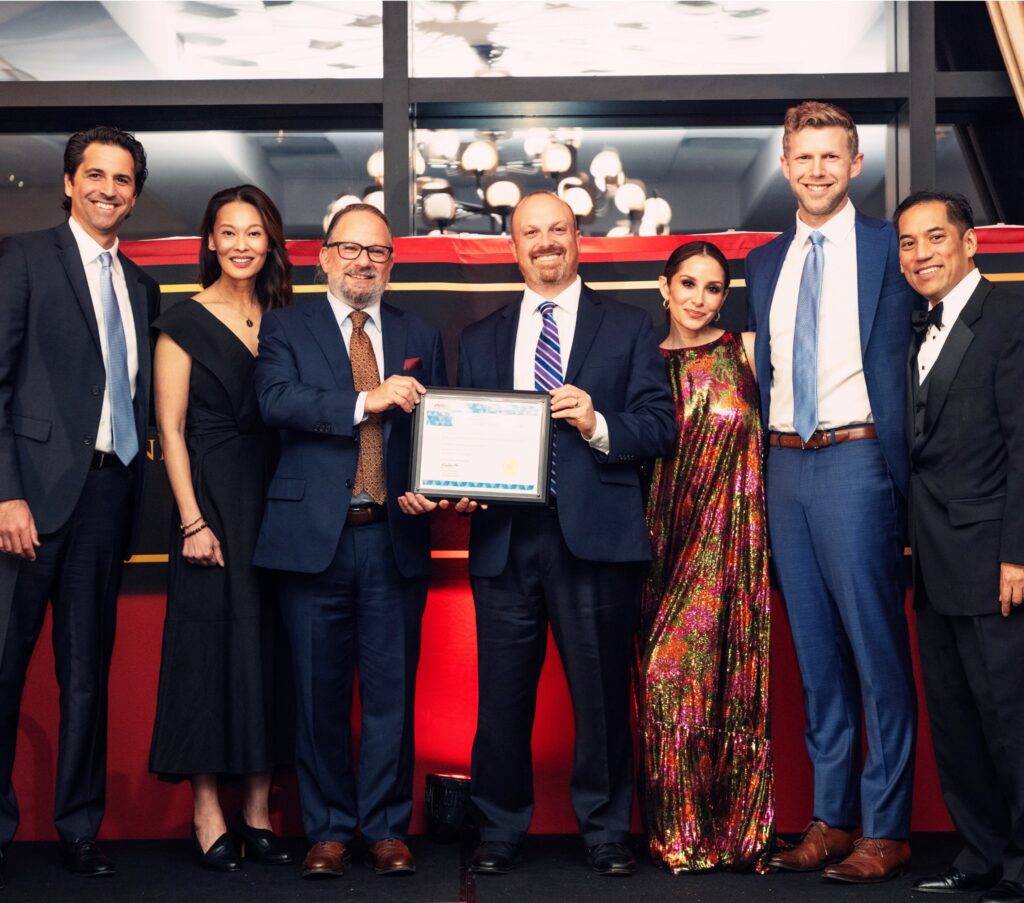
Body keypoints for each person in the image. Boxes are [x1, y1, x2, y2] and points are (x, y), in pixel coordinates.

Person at [405, 191, 675, 877]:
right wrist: (459, 482)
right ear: (514, 245)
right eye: (532, 232)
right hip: (504, 536)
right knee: (500, 699)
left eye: (558, 229)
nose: (546, 242)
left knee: (601, 697)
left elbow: (659, 427)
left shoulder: (630, 326)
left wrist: (597, 421)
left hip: (595, 537)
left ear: (578, 237)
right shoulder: (482, 337)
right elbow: (464, 433)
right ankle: (497, 828)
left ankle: (606, 831)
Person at [745, 101, 918, 883]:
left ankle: (887, 826)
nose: (816, 170)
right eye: (803, 157)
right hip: (785, 465)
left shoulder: (890, 246)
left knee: (876, 652)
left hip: (858, 459)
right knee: (815, 656)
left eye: (830, 156)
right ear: (785, 166)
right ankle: (833, 817)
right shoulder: (764, 263)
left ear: (855, 164)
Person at [254, 203, 446, 879]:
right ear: (324, 256)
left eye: (378, 251)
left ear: (392, 262)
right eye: (350, 248)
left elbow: (435, 428)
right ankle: (330, 831)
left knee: (392, 694)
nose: (364, 261)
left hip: (394, 536)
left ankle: (387, 828)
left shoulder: (420, 331)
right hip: (315, 539)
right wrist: (369, 400)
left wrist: (430, 485)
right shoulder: (284, 326)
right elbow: (276, 401)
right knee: (319, 695)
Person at [0, 126, 160, 883]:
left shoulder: (141, 286)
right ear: (69, 183)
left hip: (107, 496)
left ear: (135, 194)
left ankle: (79, 827)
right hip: (27, 500)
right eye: (95, 175)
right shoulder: (25, 258)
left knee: (87, 676)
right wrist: (6, 491)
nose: (108, 189)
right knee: (4, 671)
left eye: (122, 179)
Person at [149, 185, 294, 871]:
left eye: (254, 232)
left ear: (270, 242)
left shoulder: (286, 318)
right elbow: (170, 430)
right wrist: (191, 520)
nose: (241, 244)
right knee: (205, 653)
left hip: (277, 498)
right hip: (209, 499)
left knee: (267, 647)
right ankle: (207, 810)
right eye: (229, 232)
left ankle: (258, 810)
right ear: (210, 240)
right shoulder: (182, 321)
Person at [895, 192, 1024, 903]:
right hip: (932, 560)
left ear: (971, 243)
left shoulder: (1010, 316)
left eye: (935, 237)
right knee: (956, 721)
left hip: (992, 559)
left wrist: (1018, 554)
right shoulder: (915, 324)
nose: (922, 254)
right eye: (908, 243)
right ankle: (979, 855)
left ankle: (1022, 864)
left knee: (1010, 719)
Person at [635, 240, 772, 873]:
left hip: (733, 545)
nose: (698, 298)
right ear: (664, 287)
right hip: (660, 546)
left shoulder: (745, 351)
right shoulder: (639, 358)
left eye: (713, 287)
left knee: (727, 688)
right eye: (687, 284)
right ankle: (678, 832)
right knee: (665, 678)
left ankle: (734, 831)